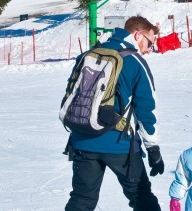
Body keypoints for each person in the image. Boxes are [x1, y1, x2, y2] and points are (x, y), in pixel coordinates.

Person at [65, 16, 164, 211]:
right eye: (150, 42)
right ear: (137, 34)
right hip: (120, 144)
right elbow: (146, 109)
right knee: (141, 197)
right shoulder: (135, 62)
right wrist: (153, 149)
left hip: (83, 139)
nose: (150, 48)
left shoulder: (89, 54)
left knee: (82, 200)